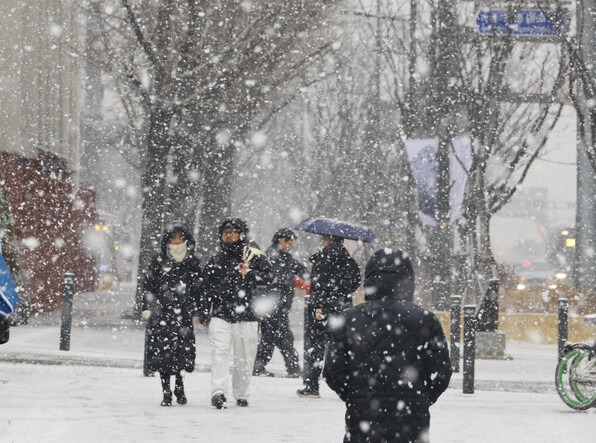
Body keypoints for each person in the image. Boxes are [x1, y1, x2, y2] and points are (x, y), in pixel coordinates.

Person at [323, 248, 452, 443]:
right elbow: (441, 372)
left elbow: (333, 371)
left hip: (363, 416)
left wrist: (356, 396)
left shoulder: (349, 319)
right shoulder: (425, 320)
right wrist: (420, 398)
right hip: (411, 419)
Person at [199, 218, 274, 409]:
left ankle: (241, 393)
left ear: (241, 234)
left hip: (247, 315)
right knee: (219, 354)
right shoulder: (216, 259)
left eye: (234, 232)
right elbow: (205, 287)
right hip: (221, 314)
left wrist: (249, 273)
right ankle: (218, 392)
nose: (229, 236)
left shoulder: (253, 255)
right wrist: (204, 312)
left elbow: (269, 277)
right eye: (226, 232)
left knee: (245, 357)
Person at [142, 221, 202, 406]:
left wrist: (196, 311)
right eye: (173, 238)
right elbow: (149, 286)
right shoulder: (158, 262)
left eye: (180, 238)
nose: (176, 242)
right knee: (163, 353)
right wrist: (147, 307)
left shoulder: (192, 263)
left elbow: (197, 289)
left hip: (184, 314)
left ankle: (180, 385)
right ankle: (166, 391)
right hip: (161, 314)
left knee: (182, 353)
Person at [297, 234, 361, 398]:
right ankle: (348, 385)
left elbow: (318, 286)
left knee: (316, 347)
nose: (322, 242)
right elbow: (355, 283)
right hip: (343, 308)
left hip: (323, 309)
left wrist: (319, 306)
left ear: (328, 241)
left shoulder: (322, 259)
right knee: (342, 347)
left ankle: (312, 385)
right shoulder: (349, 261)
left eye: (324, 239)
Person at [253, 228, 308, 378]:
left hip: (277, 307)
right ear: (281, 241)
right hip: (272, 306)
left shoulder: (285, 257)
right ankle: (292, 368)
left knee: (272, 339)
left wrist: (306, 278)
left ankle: (260, 367)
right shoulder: (271, 256)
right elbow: (276, 279)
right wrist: (293, 280)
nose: (291, 245)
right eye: (289, 242)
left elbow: (301, 270)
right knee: (279, 339)